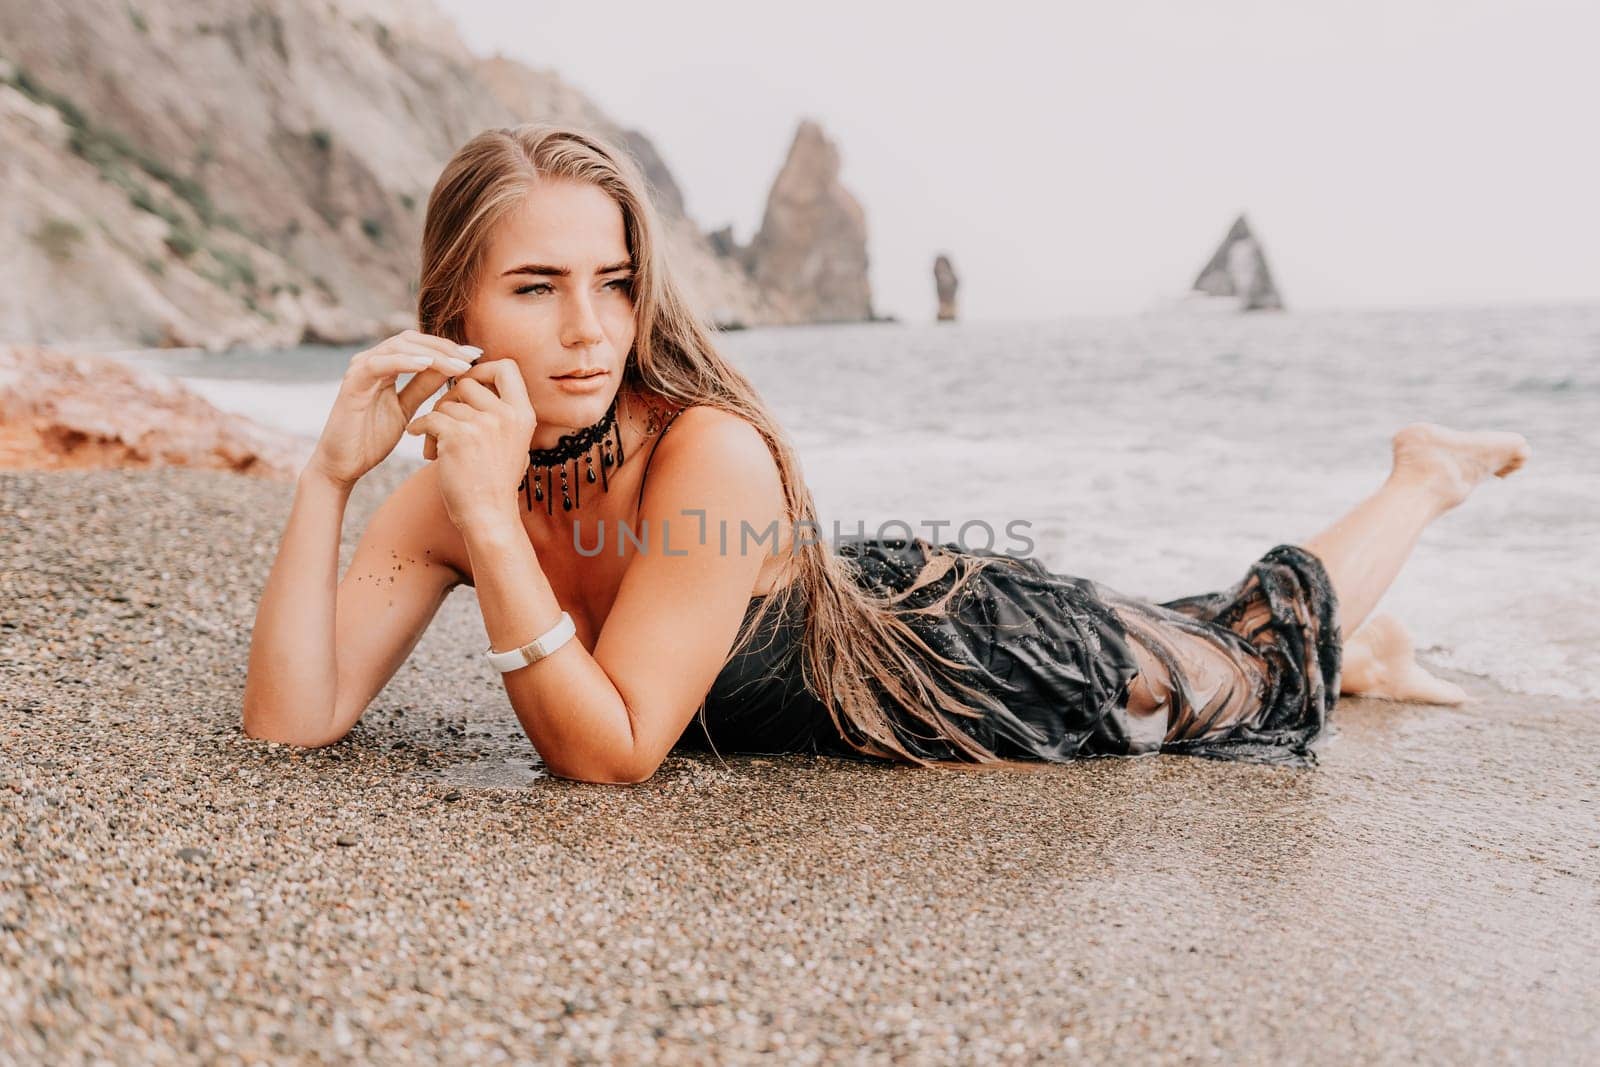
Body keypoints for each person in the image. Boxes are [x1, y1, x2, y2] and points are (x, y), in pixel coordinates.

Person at [241, 123, 1531, 783]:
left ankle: (1421, 476)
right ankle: (1372, 653)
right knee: (1233, 646)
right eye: (535, 287)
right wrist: (328, 479)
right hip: (858, 616)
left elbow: (614, 753)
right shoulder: (448, 493)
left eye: (615, 282)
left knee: (1247, 677)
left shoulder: (707, 453)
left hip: (961, 650)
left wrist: (482, 521)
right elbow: (293, 725)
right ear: (452, 308)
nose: (588, 332)